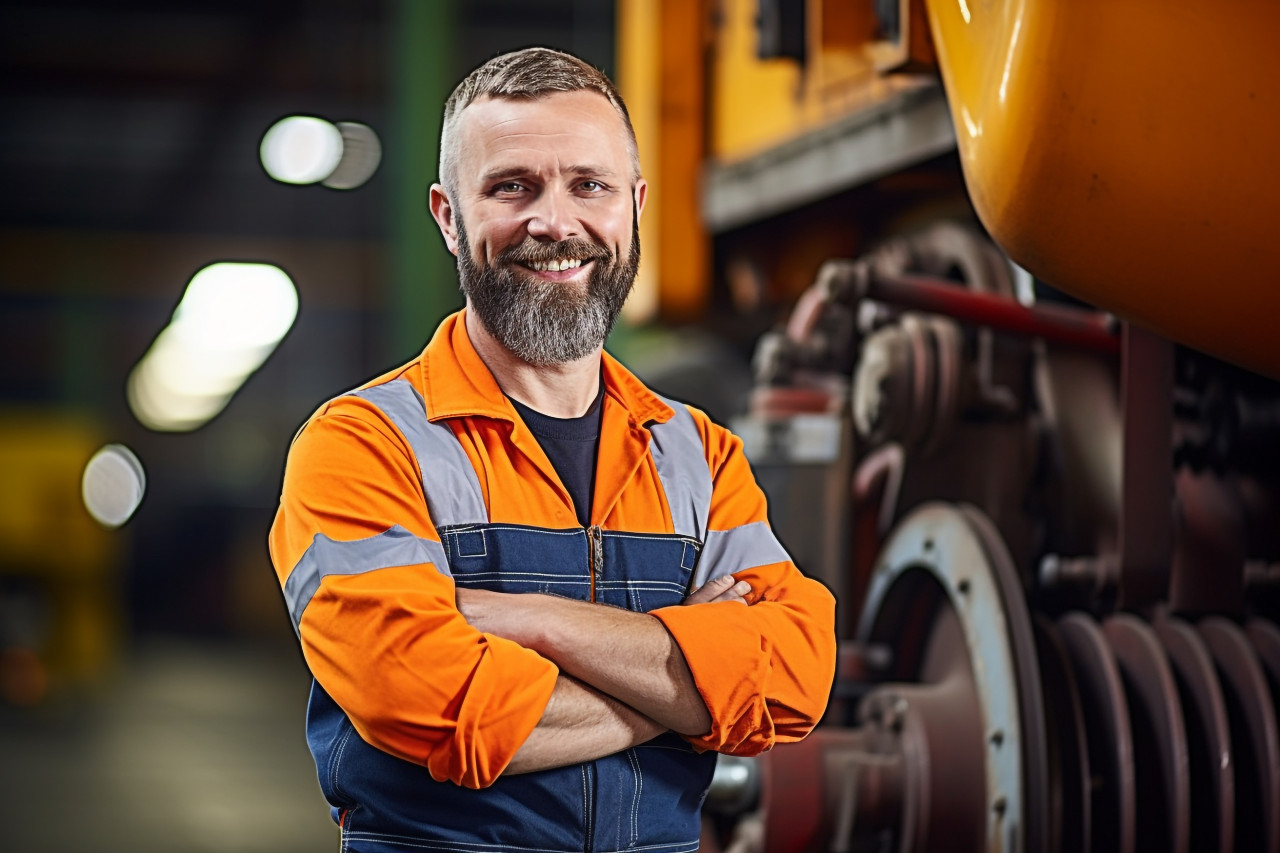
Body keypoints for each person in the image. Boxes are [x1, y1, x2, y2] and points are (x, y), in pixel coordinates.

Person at [269, 47, 836, 853]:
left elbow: (792, 679)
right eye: (512, 186)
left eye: (589, 185)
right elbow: (436, 704)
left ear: (635, 206)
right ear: (447, 216)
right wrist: (694, 686)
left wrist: (527, 620)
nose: (555, 223)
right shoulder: (362, 445)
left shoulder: (696, 454)